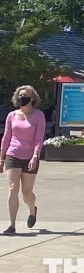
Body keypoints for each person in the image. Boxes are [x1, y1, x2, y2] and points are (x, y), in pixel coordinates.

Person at [1, 86, 44, 234]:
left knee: (27, 193)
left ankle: (32, 210)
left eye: (25, 95)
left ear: (32, 98)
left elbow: (39, 138)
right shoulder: (12, 115)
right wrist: (1, 158)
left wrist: (35, 155)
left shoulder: (38, 115)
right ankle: (12, 225)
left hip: (30, 156)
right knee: (13, 188)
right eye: (20, 95)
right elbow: (6, 138)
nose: (22, 98)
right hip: (13, 154)